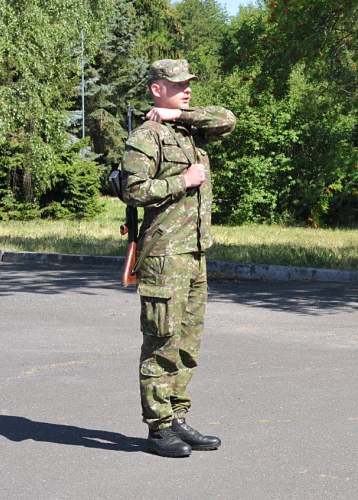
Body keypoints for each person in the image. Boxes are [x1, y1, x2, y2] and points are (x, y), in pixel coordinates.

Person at [121, 59, 236, 457]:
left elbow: (228, 118)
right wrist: (182, 181)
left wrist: (179, 113)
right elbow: (133, 189)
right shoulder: (146, 136)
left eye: (188, 83)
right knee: (161, 342)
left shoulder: (188, 128)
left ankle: (177, 418)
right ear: (156, 88)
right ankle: (158, 428)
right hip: (164, 255)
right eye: (177, 84)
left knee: (188, 343)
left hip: (194, 252)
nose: (187, 88)